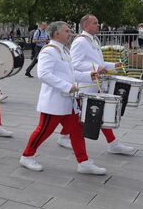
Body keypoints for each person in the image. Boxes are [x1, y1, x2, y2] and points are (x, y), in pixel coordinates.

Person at [19, 21, 107, 174]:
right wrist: (67, 86)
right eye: (67, 31)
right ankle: (27, 156)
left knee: (77, 131)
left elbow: (72, 74)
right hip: (54, 102)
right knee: (43, 131)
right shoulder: (48, 51)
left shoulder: (64, 51)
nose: (70, 34)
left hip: (69, 101)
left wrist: (90, 76)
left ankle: (83, 162)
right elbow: (44, 74)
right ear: (56, 34)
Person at [56, 14, 134, 155]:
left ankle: (112, 144)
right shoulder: (80, 41)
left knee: (95, 115)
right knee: (87, 116)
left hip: (95, 84)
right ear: (86, 26)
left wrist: (114, 65)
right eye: (95, 23)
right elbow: (75, 64)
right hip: (85, 85)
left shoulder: (94, 40)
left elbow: (100, 63)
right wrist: (96, 68)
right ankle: (65, 137)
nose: (98, 25)